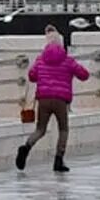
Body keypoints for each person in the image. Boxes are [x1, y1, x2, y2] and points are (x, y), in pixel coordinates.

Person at [15, 26, 88, 174]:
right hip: (60, 100)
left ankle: (26, 147)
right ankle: (58, 160)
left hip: (44, 100)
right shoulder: (68, 60)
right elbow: (84, 75)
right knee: (63, 129)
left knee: (40, 129)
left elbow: (32, 76)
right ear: (61, 44)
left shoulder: (41, 59)